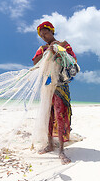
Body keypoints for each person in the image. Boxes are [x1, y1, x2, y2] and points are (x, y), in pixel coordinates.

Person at [32, 21, 77, 165]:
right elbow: (35, 62)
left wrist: (57, 50)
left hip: (60, 84)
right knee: (48, 114)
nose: (44, 37)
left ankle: (62, 149)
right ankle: (50, 144)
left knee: (60, 114)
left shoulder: (64, 45)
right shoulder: (43, 48)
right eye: (42, 35)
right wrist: (47, 51)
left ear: (52, 31)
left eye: (46, 33)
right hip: (47, 84)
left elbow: (72, 61)